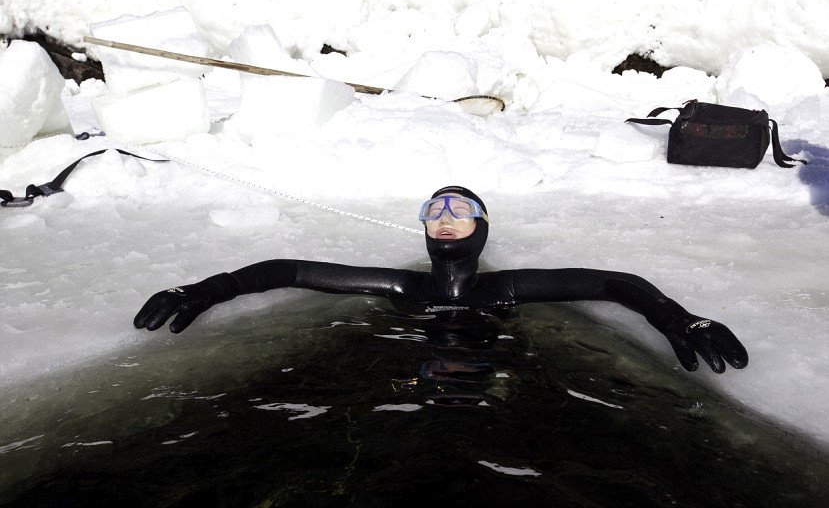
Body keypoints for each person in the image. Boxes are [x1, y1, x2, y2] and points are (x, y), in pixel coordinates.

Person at [134, 186, 748, 374]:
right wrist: (204, 290)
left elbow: (615, 284)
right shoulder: (405, 288)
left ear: (482, 228)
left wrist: (678, 317)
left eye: (459, 211)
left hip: (503, 374)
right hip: (408, 372)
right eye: (435, 211)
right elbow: (283, 271)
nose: (446, 220)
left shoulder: (505, 287)